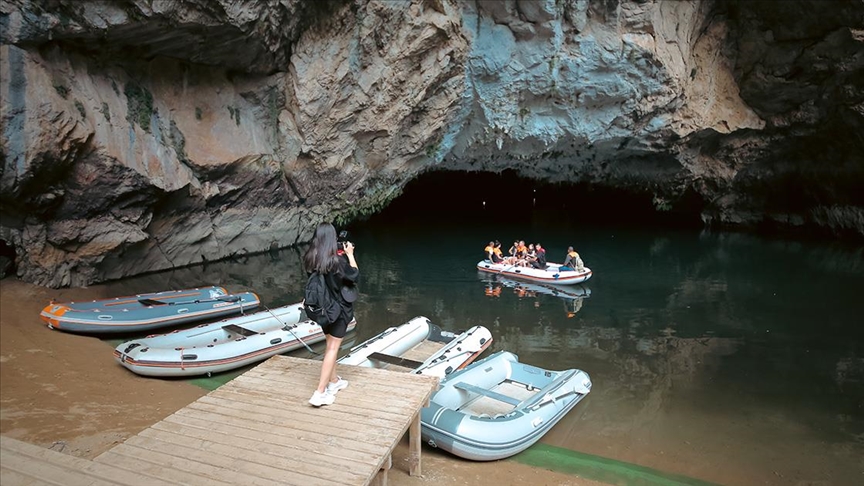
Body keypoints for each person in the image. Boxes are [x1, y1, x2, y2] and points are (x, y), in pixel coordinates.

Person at [304, 222, 360, 407]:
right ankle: (320, 392)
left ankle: (334, 381)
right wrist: (350, 255)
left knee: (330, 345)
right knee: (333, 348)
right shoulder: (337, 261)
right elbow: (354, 276)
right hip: (338, 310)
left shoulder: (311, 257)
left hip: (322, 309)